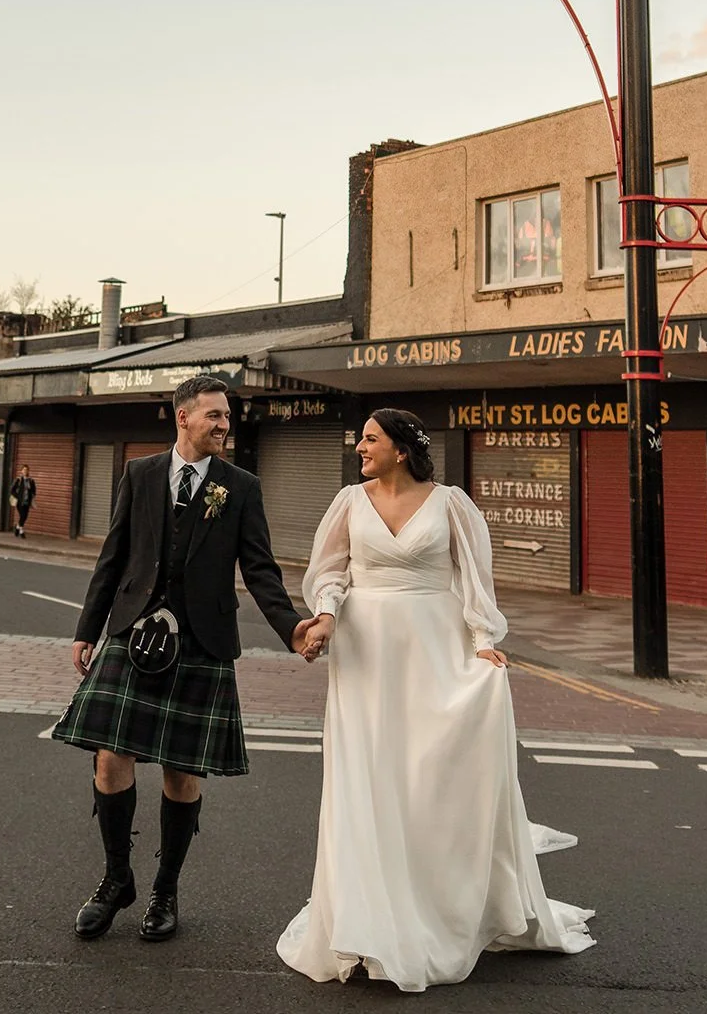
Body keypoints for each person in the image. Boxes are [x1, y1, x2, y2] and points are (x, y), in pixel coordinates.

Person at [277, 408, 595, 993]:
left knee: (428, 778)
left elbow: (475, 577)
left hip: (434, 645)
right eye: (361, 441)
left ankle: (440, 903)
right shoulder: (350, 500)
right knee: (369, 780)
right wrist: (325, 619)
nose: (360, 449)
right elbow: (330, 572)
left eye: (370, 440)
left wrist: (483, 642)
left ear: (401, 448)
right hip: (366, 654)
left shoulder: (451, 503)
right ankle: (365, 921)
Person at [53, 373, 327, 945]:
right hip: (134, 635)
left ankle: (165, 890)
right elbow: (114, 555)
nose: (224, 425)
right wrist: (88, 629)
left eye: (227, 417)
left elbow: (260, 570)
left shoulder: (241, 487)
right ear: (183, 417)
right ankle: (116, 879)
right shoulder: (141, 473)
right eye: (214, 416)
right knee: (109, 760)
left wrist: (292, 627)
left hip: (201, 642)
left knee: (182, 773)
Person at [10, 463, 37, 536]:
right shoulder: (18, 480)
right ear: (21, 471)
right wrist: (17, 496)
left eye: (27, 470)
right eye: (24, 470)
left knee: (25, 516)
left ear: (28, 471)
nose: (25, 471)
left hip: (27, 501)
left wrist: (32, 495)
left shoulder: (31, 481)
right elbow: (12, 490)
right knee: (22, 515)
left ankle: (18, 527)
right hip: (20, 502)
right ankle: (21, 531)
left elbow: (34, 490)